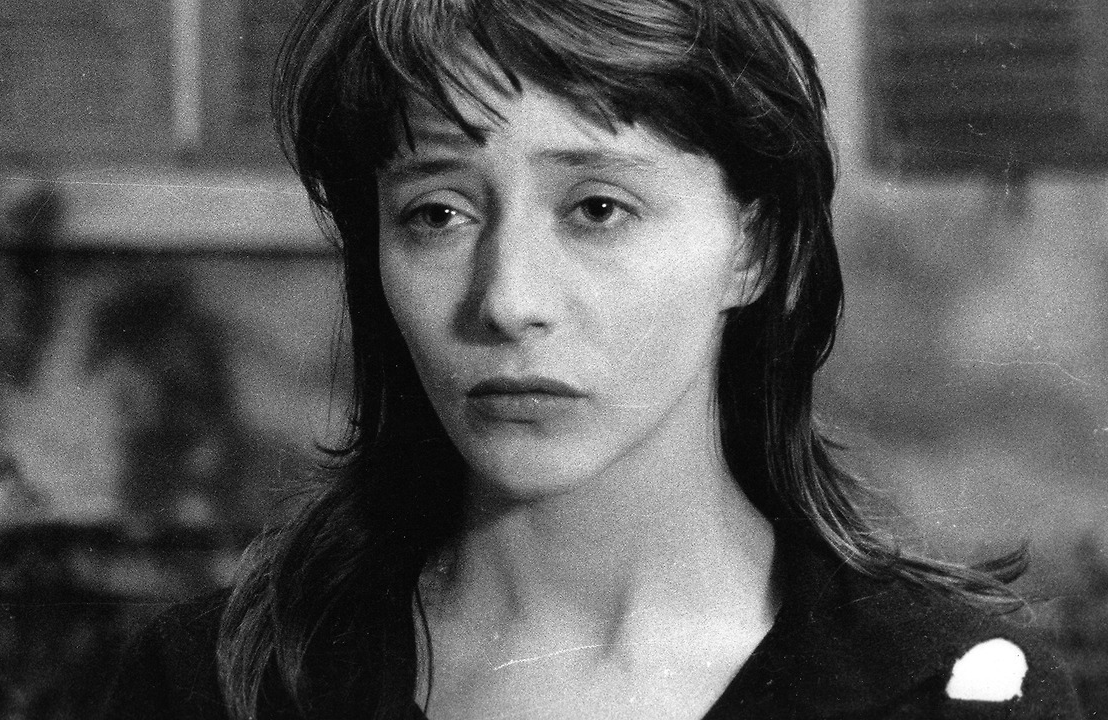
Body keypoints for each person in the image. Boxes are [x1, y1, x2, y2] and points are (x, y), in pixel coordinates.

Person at [102, 0, 1084, 718]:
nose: (507, 300)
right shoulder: (218, 686)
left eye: (597, 209)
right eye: (436, 213)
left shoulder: (944, 691)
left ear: (755, 249)